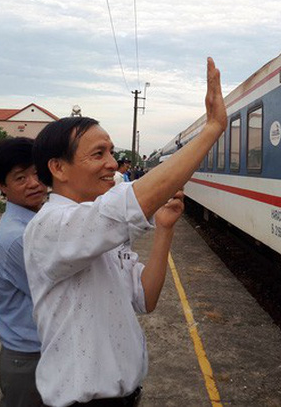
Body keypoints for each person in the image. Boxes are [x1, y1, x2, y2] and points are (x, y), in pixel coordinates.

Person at [24, 57, 227, 406]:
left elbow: (145, 299)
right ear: (58, 168)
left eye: (111, 152)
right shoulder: (50, 228)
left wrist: (164, 229)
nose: (112, 164)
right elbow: (125, 207)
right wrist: (211, 129)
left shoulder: (91, 229)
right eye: (98, 154)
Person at [0, 137, 48, 407]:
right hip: (29, 359)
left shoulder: (36, 221)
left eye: (37, 173)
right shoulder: (17, 237)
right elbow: (57, 291)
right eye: (20, 177)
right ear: (1, 186)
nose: (34, 183)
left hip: (39, 353)